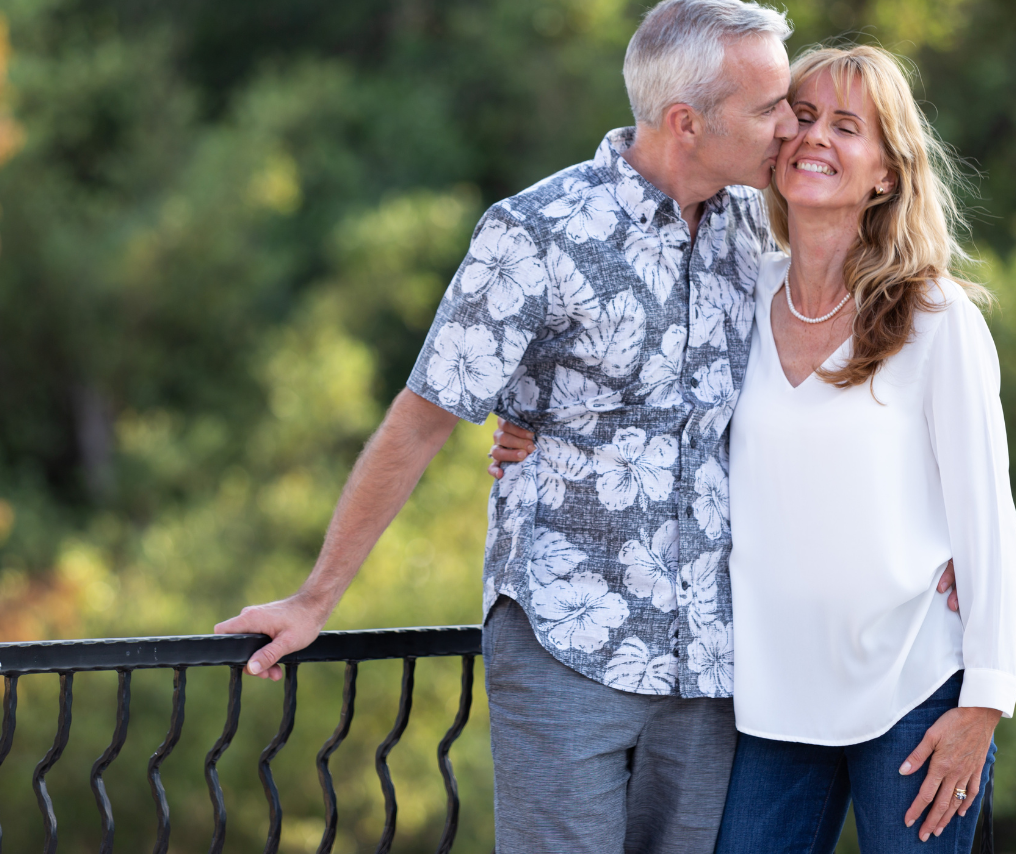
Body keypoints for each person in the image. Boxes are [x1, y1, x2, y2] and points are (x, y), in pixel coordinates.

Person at [216, 0, 801, 849]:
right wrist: (315, 600)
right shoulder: (537, 235)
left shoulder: (757, 226)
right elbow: (420, 421)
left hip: (713, 660)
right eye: (767, 108)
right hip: (569, 644)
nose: (789, 127)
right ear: (686, 122)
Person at [493, 44, 1016, 852]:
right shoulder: (739, 286)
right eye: (801, 116)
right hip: (770, 701)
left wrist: (983, 702)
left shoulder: (936, 319)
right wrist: (537, 426)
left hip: (915, 685)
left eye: (847, 127)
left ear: (885, 172)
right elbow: (643, 399)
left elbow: (988, 518)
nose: (814, 138)